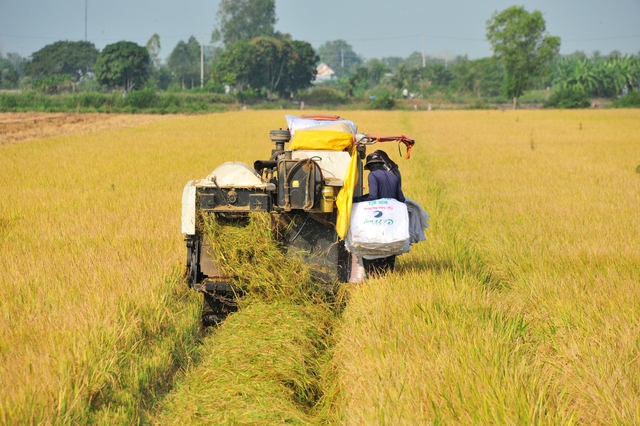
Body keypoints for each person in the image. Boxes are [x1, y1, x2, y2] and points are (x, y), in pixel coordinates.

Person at [358, 151, 405, 275]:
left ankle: (372, 273)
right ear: (381, 163)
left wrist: (360, 202)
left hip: (379, 215)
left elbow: (374, 196)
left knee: (375, 243)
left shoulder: (373, 175)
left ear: (371, 166)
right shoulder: (393, 176)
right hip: (392, 216)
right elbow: (401, 198)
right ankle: (388, 272)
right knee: (389, 242)